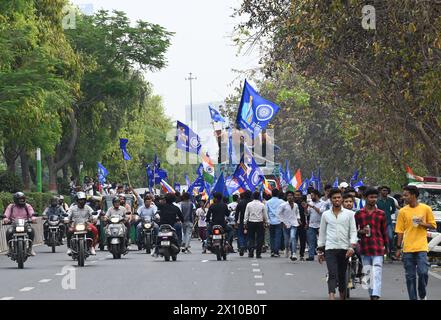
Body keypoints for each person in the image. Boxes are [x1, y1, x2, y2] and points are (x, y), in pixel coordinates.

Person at [395, 185, 436, 300]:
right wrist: (398, 248)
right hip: (407, 248)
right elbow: (399, 231)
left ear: (413, 195)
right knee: (410, 277)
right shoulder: (403, 211)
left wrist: (422, 223)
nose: (404, 197)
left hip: (421, 247)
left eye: (406, 195)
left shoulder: (426, 208)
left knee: (423, 273)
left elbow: (433, 225)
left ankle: (422, 294)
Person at [317, 188, 358, 300]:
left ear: (342, 199)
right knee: (332, 273)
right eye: (334, 198)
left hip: (345, 248)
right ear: (330, 200)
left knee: (341, 275)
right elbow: (322, 233)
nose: (337, 200)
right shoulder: (325, 215)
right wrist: (320, 251)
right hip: (330, 248)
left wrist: (352, 246)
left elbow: (353, 231)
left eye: (339, 197)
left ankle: (342, 296)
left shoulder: (350, 214)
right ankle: (331, 296)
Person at [354, 187, 388, 300]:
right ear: (365, 198)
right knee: (367, 272)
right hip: (365, 247)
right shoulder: (358, 214)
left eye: (375, 197)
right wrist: (361, 231)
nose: (373, 199)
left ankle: (375, 295)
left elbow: (384, 231)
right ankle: (371, 294)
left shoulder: (381, 214)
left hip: (378, 246)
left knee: (377, 270)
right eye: (371, 197)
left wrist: (387, 247)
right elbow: (354, 231)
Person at [154, 193, 184, 257]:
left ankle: (156, 249)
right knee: (178, 230)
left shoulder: (161, 206)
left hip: (162, 226)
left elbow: (156, 202)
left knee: (158, 237)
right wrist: (181, 221)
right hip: (171, 226)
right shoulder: (176, 208)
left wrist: (157, 197)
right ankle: (179, 244)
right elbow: (182, 218)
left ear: (165, 199)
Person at [244, 191, 269, 259]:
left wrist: (245, 223)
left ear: (253, 196)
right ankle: (258, 253)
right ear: (259, 197)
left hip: (251, 222)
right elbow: (265, 215)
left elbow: (246, 214)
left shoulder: (249, 204)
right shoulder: (262, 205)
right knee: (260, 238)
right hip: (259, 223)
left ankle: (251, 250)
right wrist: (267, 222)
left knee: (251, 237)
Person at [277, 190, 301, 261]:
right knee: (287, 240)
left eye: (291, 195)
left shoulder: (296, 205)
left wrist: (298, 219)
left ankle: (293, 253)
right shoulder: (283, 205)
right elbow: (278, 214)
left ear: (293, 197)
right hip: (286, 224)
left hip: (294, 223)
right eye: (288, 196)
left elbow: (297, 213)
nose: (290, 197)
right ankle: (287, 248)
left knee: (293, 237)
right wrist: (282, 222)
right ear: (286, 197)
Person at [377, 186, 397, 260]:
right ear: (380, 191)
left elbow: (393, 210)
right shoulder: (377, 201)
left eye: (386, 191)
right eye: (383, 190)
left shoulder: (391, 200)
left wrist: (388, 214)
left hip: (388, 221)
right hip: (379, 222)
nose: (385, 192)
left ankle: (390, 252)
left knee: (390, 237)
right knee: (380, 238)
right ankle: (381, 253)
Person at [306, 189, 324, 261]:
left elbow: (320, 212)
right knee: (311, 240)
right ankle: (311, 256)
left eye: (312, 195)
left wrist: (313, 206)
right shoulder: (310, 203)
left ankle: (322, 255)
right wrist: (305, 208)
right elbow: (307, 213)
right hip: (311, 224)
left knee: (321, 241)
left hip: (321, 225)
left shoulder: (323, 203)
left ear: (316, 195)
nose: (311, 197)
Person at [266, 189, 285, 257]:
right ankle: (276, 251)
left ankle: (272, 251)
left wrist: (267, 221)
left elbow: (266, 212)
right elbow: (284, 212)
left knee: (272, 237)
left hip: (271, 221)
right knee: (278, 237)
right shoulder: (282, 202)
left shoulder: (268, 202)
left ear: (271, 194)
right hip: (279, 221)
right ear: (278, 194)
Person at [235, 190, 252, 256]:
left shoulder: (240, 203)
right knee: (250, 235)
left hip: (241, 221)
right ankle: (248, 247)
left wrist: (236, 221)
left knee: (240, 235)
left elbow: (237, 213)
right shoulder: (251, 203)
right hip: (251, 221)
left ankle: (242, 245)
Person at [294, 191, 307, 261]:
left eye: (298, 195)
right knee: (293, 239)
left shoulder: (304, 203)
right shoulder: (292, 203)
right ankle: (293, 253)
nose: (297, 196)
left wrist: (305, 208)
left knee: (303, 240)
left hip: (302, 224)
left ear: (301, 196)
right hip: (294, 224)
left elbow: (307, 214)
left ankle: (301, 254)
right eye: (296, 195)